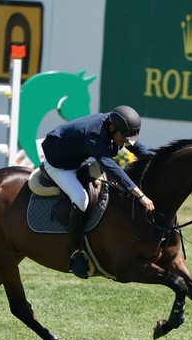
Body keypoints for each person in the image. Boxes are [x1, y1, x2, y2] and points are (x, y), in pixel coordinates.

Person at [41, 105, 155, 279]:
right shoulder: (94, 134)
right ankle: (75, 253)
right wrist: (140, 195)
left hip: (79, 157)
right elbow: (111, 166)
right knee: (81, 199)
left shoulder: (117, 124)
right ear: (112, 128)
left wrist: (156, 162)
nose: (126, 141)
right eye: (123, 137)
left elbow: (137, 147)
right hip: (59, 164)